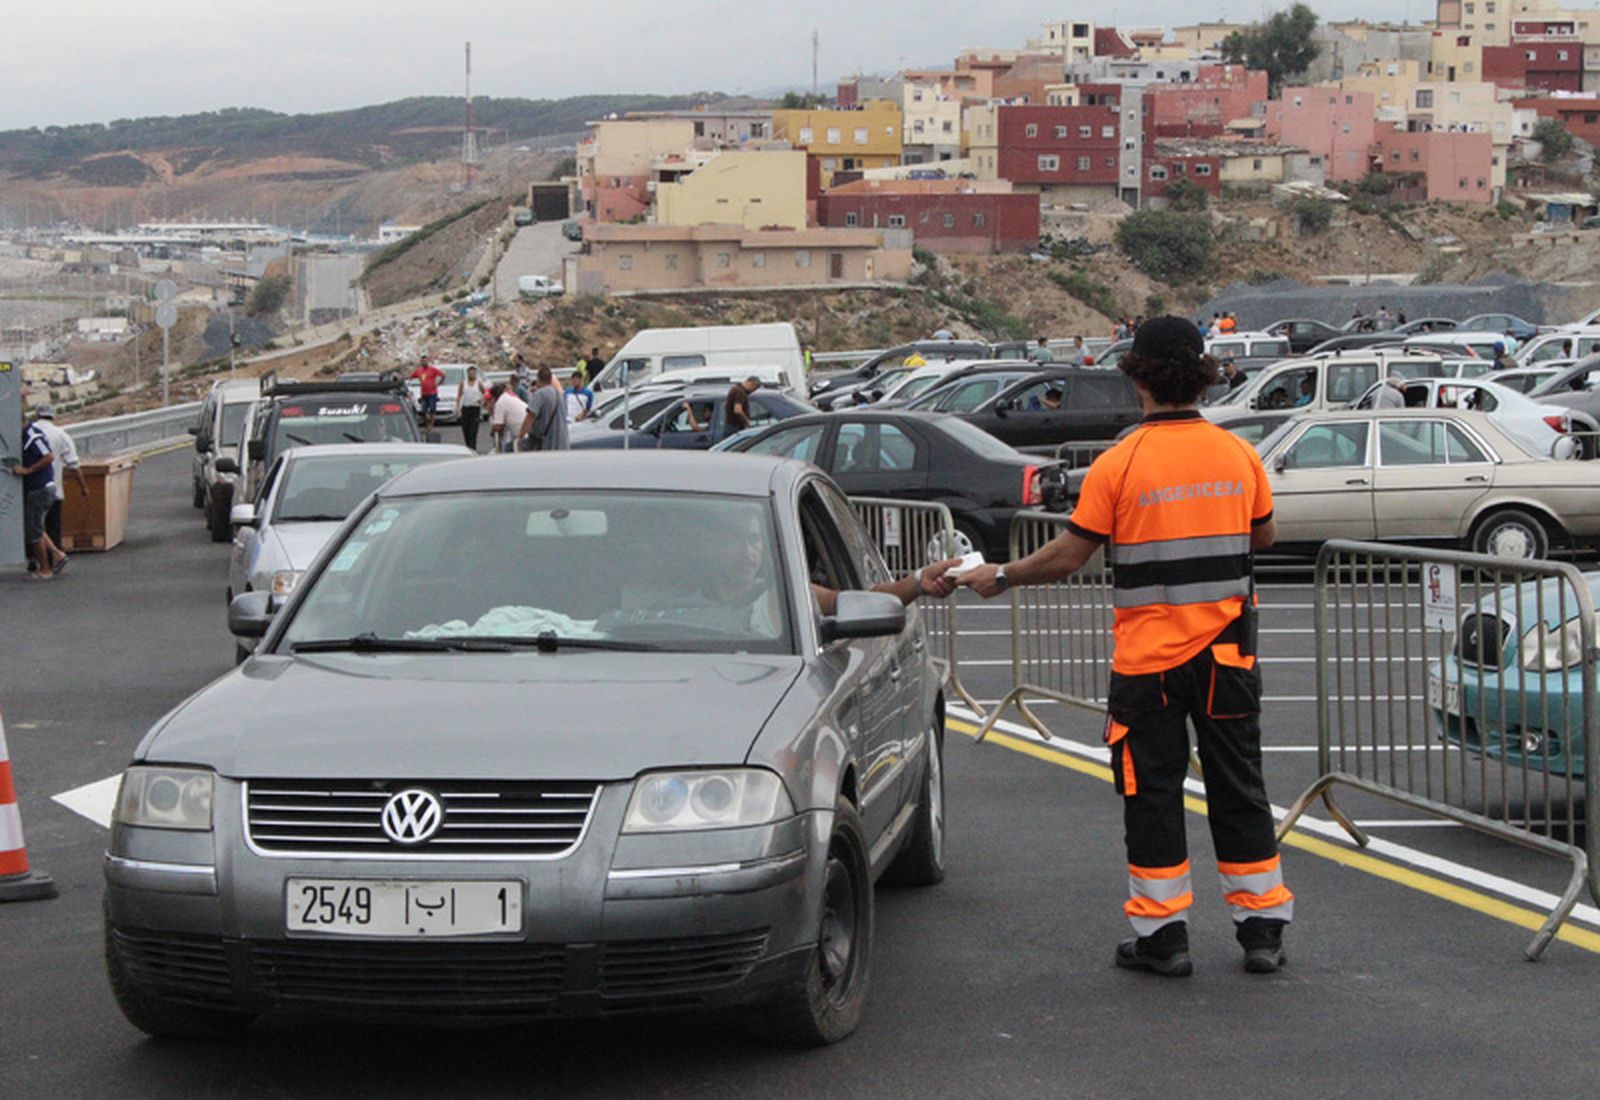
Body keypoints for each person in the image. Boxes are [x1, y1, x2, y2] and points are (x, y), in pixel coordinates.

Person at [958, 316, 1292, 977]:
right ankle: (1262, 931)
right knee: (1240, 787)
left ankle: (1164, 937)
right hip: (1228, 655)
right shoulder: (1238, 455)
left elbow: (1068, 554)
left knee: (1153, 795)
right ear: (1202, 376)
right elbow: (1265, 538)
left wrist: (1000, 575)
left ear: (1136, 377)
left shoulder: (1120, 462)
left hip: (1150, 667)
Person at [10, 411, 67, 579]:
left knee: (33, 530)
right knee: (36, 526)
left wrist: (28, 470)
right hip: (39, 487)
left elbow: (48, 456)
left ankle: (45, 568)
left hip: (40, 487)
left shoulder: (32, 436)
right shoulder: (25, 435)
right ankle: (57, 554)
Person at [32, 406, 88, 560]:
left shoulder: (29, 433)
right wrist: (83, 487)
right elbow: (74, 465)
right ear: (53, 416)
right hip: (54, 489)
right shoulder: (61, 435)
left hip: (31, 488)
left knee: (33, 526)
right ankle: (53, 558)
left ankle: (33, 558)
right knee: (53, 527)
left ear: (37, 415)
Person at [519, 366, 570, 451]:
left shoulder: (540, 394)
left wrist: (520, 437)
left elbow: (530, 417)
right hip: (563, 443)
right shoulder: (560, 394)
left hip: (549, 444)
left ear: (538, 379)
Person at [487, 383, 528, 453]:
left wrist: (491, 432)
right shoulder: (509, 397)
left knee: (507, 450)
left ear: (494, 397)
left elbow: (498, 426)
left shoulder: (500, 403)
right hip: (528, 431)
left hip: (523, 435)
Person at [409, 356, 446, 434]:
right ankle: (427, 424)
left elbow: (443, 375)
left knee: (432, 410)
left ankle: (431, 426)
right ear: (420, 362)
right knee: (423, 411)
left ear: (428, 361)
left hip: (432, 393)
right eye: (422, 361)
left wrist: (438, 384)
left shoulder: (433, 370)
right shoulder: (419, 371)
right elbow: (410, 377)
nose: (424, 362)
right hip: (423, 393)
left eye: (425, 361)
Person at [457, 366, 488, 452]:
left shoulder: (478, 383)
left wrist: (482, 401)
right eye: (470, 373)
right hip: (466, 408)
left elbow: (486, 394)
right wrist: (458, 407)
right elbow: (459, 395)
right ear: (467, 374)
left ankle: (473, 447)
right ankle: (468, 447)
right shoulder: (463, 383)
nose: (472, 374)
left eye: (474, 373)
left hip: (475, 408)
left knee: (473, 430)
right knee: (466, 429)